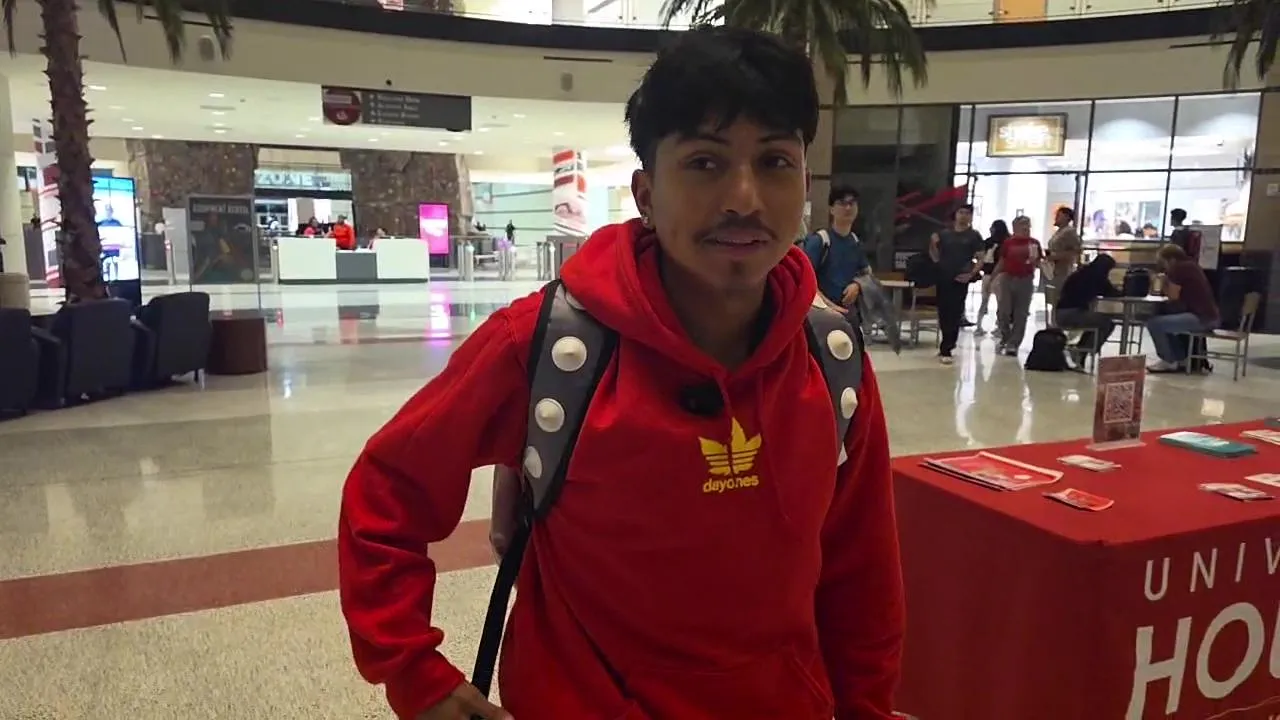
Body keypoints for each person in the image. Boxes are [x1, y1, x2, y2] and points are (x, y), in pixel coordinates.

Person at [338, 26, 902, 720]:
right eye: (704, 162)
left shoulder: (831, 359)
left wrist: (867, 708)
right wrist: (412, 671)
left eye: (775, 161)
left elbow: (861, 573)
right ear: (646, 192)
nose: (745, 197)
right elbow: (386, 490)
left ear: (805, 184)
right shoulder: (547, 347)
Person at [1145, 243, 1219, 372]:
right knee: (1166, 323)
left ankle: (1168, 360)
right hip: (1210, 316)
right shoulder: (1192, 265)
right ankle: (1180, 359)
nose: (1164, 266)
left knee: (1154, 323)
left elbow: (1173, 296)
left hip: (1200, 318)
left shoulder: (1178, 269)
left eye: (1163, 262)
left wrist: (1163, 282)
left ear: (1171, 259)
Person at [928, 203, 984, 365]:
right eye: (961, 212)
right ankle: (945, 343)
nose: (964, 216)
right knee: (943, 311)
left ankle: (948, 346)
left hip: (960, 278)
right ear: (956, 214)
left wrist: (971, 274)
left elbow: (981, 257)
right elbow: (935, 255)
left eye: (967, 213)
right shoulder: (945, 234)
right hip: (943, 276)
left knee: (955, 312)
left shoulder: (973, 236)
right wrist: (933, 245)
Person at [801, 185, 869, 316]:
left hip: (848, 314)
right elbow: (804, 281)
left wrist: (857, 285)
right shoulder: (820, 241)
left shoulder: (855, 242)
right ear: (831, 209)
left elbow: (866, 274)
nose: (848, 208)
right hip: (820, 314)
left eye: (852, 203)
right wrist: (829, 307)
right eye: (842, 203)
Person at [1055, 254, 1122, 365]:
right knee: (1106, 323)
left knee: (1096, 321)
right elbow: (1111, 292)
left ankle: (1081, 350)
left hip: (1061, 313)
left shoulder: (1081, 273)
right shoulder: (1097, 277)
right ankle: (1082, 351)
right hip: (1072, 314)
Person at [992, 215, 1041, 357]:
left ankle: (1014, 343)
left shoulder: (1034, 243)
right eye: (1022, 225)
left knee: (1021, 313)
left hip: (1025, 279)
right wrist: (993, 277)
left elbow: (1039, 262)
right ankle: (1005, 335)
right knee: (1004, 311)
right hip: (1007, 278)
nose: (1026, 228)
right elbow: (1002, 261)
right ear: (1015, 227)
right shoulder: (1008, 243)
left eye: (1028, 225)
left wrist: (1035, 261)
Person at [974, 219, 1010, 336]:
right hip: (1000, 274)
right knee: (1000, 303)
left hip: (988, 273)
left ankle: (979, 326)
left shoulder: (988, 242)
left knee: (985, 300)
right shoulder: (1007, 242)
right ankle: (1000, 327)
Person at [1045, 207, 1082, 310]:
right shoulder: (1059, 232)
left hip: (1063, 269)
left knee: (1058, 294)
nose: (1056, 218)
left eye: (1059, 216)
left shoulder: (1069, 232)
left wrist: (1058, 256)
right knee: (1052, 296)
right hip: (1053, 268)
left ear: (1066, 217)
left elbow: (1076, 250)